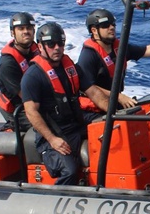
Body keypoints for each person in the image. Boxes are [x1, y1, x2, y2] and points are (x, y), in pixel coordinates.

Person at [20, 22, 111, 185]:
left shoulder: (71, 68)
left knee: (112, 131)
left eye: (60, 43)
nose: (57, 48)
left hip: (76, 125)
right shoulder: (32, 76)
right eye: (51, 44)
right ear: (40, 46)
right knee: (70, 171)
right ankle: (55, 203)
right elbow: (31, 112)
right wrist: (52, 139)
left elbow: (93, 92)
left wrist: (112, 113)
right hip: (53, 134)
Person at [76, 9, 150, 111]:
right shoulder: (88, 56)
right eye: (105, 25)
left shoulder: (120, 48)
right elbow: (89, 88)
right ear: (94, 30)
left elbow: (147, 50)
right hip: (94, 108)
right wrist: (118, 97)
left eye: (113, 24)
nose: (111, 27)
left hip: (114, 101)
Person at [0, 12, 38, 131]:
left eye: (29, 28)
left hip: (37, 96)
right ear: (13, 33)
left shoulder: (37, 51)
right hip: (19, 106)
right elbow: (26, 96)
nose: (25, 31)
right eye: (21, 29)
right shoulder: (8, 64)